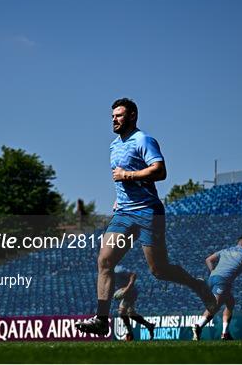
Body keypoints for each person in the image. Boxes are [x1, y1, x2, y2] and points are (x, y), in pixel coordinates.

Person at [77, 98, 216, 336]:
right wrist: (119, 196)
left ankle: (198, 285)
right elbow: (120, 178)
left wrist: (127, 176)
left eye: (119, 115)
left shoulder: (143, 140)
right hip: (124, 212)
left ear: (132, 116)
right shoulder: (113, 145)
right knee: (105, 260)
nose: (114, 120)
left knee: (158, 270)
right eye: (112, 116)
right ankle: (101, 319)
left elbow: (160, 171)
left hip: (148, 211)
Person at [192, 235, 242, 341]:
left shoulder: (225, 250)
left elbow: (208, 260)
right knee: (214, 306)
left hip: (212, 278)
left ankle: (225, 333)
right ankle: (198, 326)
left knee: (230, 302)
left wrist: (212, 271)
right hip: (223, 281)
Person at [113, 265, 155, 341]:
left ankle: (130, 334)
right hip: (127, 293)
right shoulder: (108, 275)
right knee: (131, 314)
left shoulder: (118, 270)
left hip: (130, 292)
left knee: (122, 312)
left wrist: (128, 287)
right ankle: (149, 325)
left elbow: (133, 275)